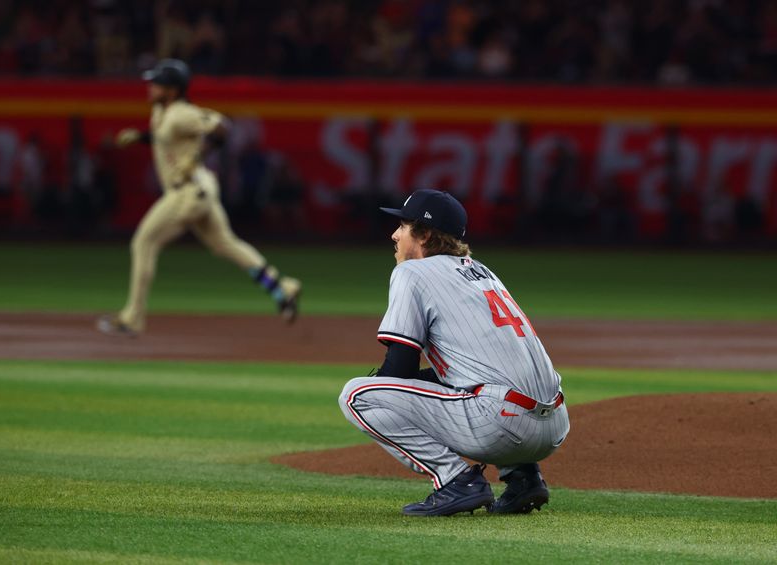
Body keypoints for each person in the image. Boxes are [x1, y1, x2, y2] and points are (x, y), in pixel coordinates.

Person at [338, 189, 569, 517]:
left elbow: (400, 366)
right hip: (555, 424)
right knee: (469, 381)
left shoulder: (411, 273)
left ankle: (456, 481)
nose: (394, 234)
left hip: (501, 427)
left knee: (358, 394)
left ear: (425, 235)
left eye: (403, 227)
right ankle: (523, 477)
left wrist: (388, 388)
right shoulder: (483, 272)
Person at [97, 59, 301, 337]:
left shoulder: (182, 113)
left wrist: (196, 156)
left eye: (157, 83)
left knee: (144, 242)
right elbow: (165, 136)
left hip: (188, 192)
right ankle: (281, 287)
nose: (150, 87)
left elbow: (223, 128)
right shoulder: (162, 111)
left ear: (172, 89)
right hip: (199, 191)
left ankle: (133, 318)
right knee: (226, 245)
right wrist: (141, 138)